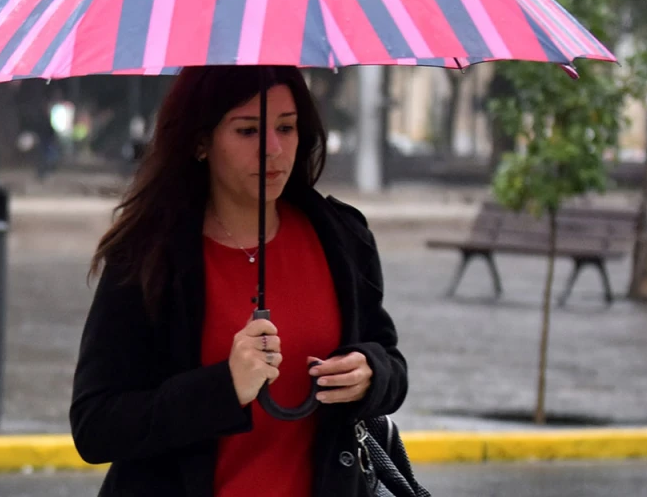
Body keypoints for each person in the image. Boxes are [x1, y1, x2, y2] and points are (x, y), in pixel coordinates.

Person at [70, 66, 408, 497]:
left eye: (287, 127)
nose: (273, 148)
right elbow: (96, 426)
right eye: (248, 131)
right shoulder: (149, 256)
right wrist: (222, 387)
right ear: (200, 142)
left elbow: (391, 363)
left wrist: (371, 375)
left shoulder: (341, 237)